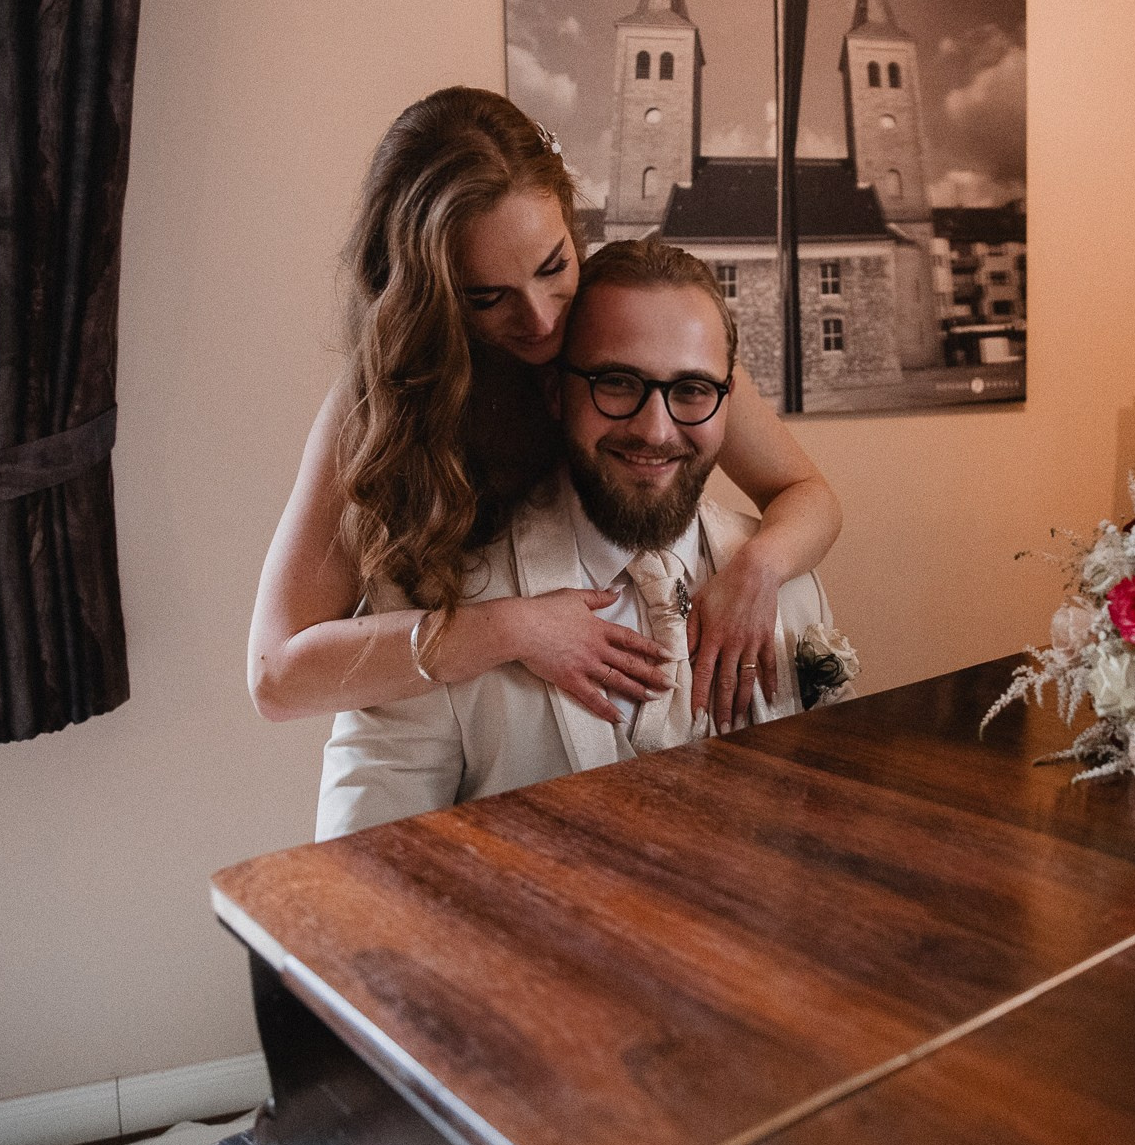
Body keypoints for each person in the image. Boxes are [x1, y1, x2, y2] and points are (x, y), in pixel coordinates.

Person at [249, 86, 841, 738]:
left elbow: (808, 493)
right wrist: (511, 626)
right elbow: (277, 676)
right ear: (429, 292)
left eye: (554, 266)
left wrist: (756, 570)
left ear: (569, 219)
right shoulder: (383, 393)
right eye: (487, 296)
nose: (540, 319)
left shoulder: (636, 326)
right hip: (463, 725)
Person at [315, 238, 846, 838]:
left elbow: (818, 823)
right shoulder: (434, 591)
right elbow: (363, 873)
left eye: (692, 390)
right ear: (554, 392)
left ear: (728, 400)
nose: (656, 430)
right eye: (617, 382)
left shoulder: (790, 580)